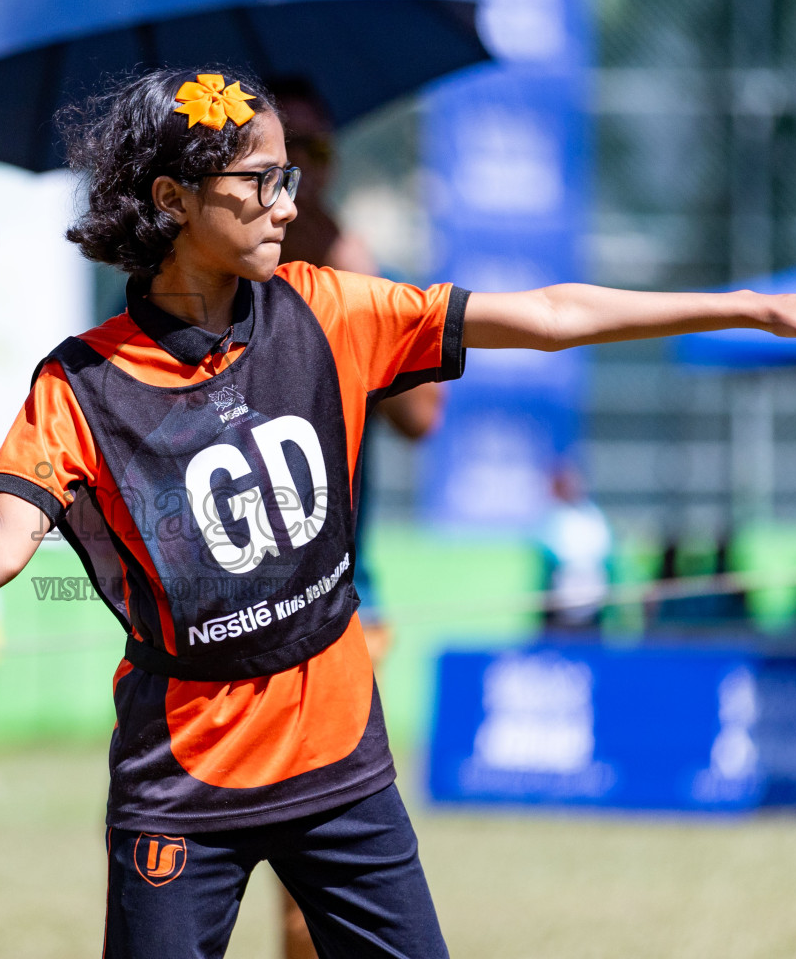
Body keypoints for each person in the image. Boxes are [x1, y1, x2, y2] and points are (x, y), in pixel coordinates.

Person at [0, 67, 796, 958]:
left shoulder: (328, 311)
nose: (291, 201)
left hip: (342, 768)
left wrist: (751, 301)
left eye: (293, 174)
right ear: (173, 203)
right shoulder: (76, 386)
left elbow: (556, 311)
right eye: (261, 182)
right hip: (182, 787)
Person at [271, 76, 443, 959]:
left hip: (341, 596)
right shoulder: (185, 272)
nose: (302, 168)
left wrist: (369, 298)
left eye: (320, 148)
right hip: (205, 607)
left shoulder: (350, 266)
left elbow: (420, 422)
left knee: (324, 870)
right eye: (281, 150)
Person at [538, 463, 613, 634]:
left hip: (593, 599)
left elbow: (604, 555)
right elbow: (550, 556)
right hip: (560, 598)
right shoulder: (553, 516)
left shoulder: (594, 516)